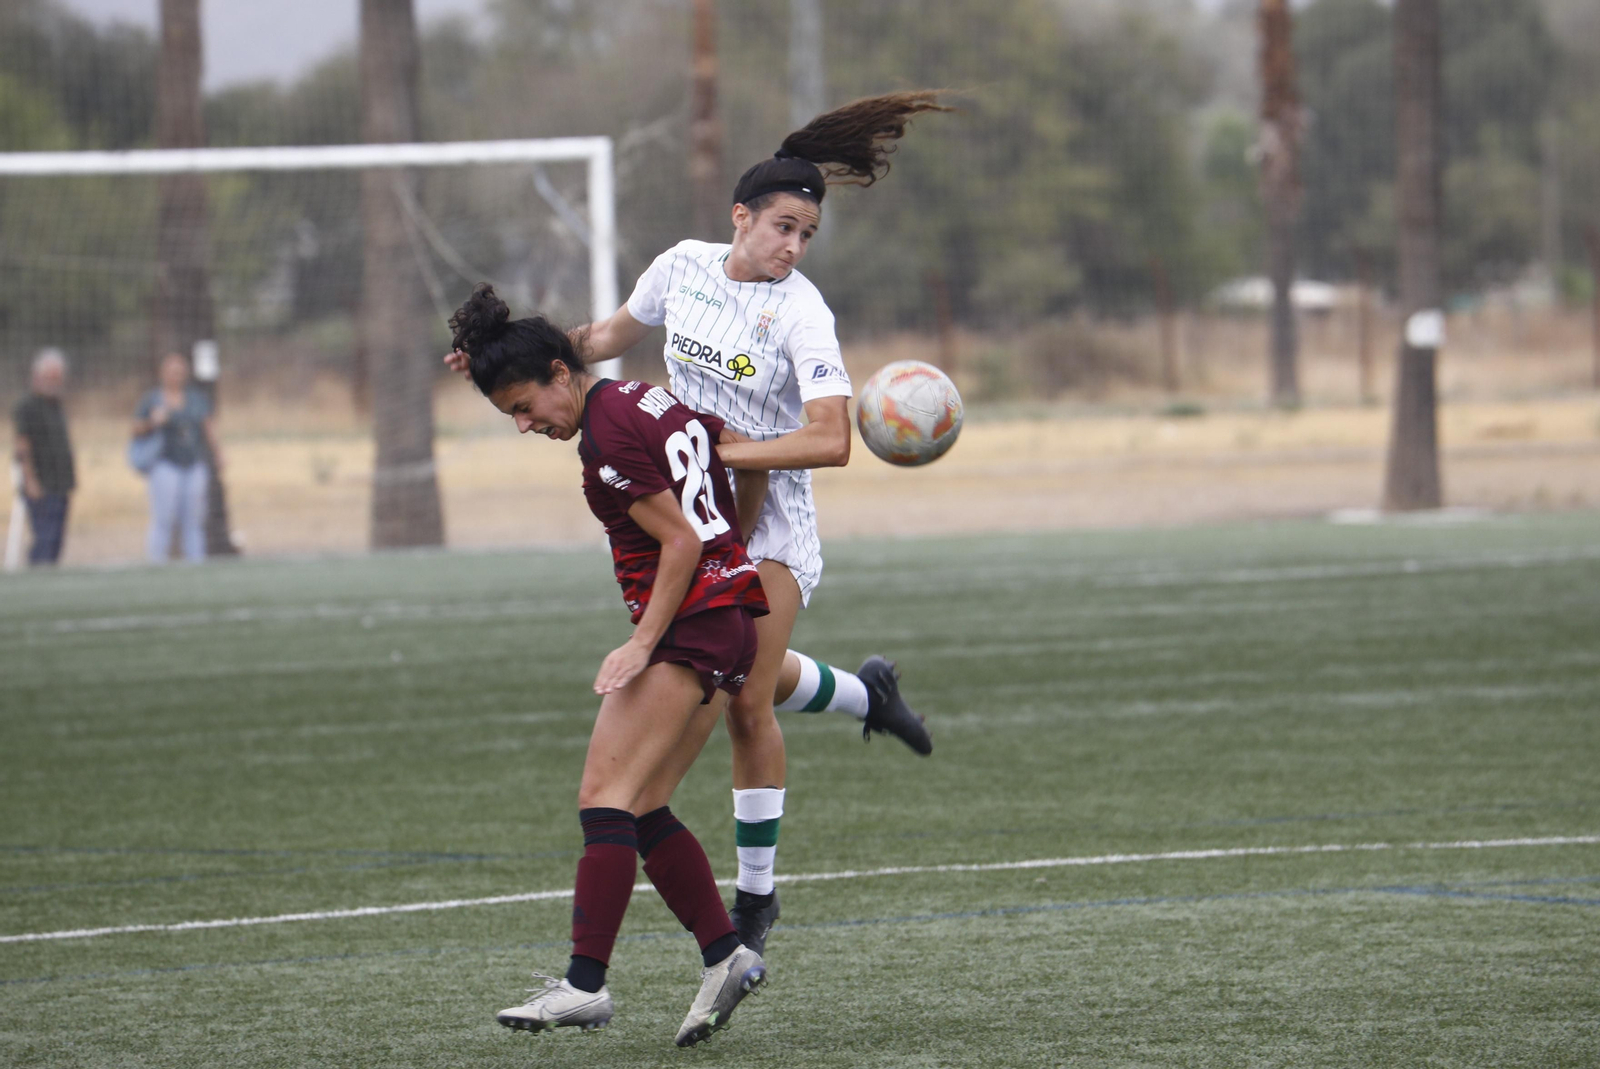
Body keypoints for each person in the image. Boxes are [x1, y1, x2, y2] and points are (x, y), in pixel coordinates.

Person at [444, 91, 946, 960]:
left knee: (745, 692)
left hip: (773, 523)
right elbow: (599, 337)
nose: (792, 247)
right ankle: (869, 693)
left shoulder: (802, 312)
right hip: (698, 506)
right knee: (742, 666)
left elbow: (830, 442)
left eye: (806, 236)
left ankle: (755, 899)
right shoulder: (681, 268)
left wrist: (727, 452)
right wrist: (505, 359)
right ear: (740, 217)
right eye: (782, 227)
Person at [451, 284, 772, 1046]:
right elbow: (736, 457)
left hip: (690, 624)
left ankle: (584, 985)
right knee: (643, 804)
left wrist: (642, 641)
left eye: (527, 406)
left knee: (602, 797)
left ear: (563, 371)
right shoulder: (645, 399)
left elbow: (681, 543)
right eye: (513, 417)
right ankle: (726, 954)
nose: (529, 425)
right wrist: (737, 555)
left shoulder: (605, 439)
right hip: (725, 619)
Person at [133, 352, 222, 564]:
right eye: (172, 372)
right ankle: (157, 561)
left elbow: (207, 428)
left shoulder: (195, 398)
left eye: (180, 372)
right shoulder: (153, 399)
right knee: (164, 518)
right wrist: (153, 422)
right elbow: (135, 429)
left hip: (192, 463)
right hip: (166, 463)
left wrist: (218, 454)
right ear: (163, 373)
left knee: (193, 519)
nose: (176, 376)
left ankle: (195, 562)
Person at [11, 349, 76, 566]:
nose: (55, 382)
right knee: (44, 538)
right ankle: (36, 580)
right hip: (41, 481)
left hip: (60, 482)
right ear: (38, 375)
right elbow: (22, 445)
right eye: (51, 376)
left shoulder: (55, 404)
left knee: (56, 539)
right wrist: (30, 480)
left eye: (58, 377)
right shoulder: (27, 406)